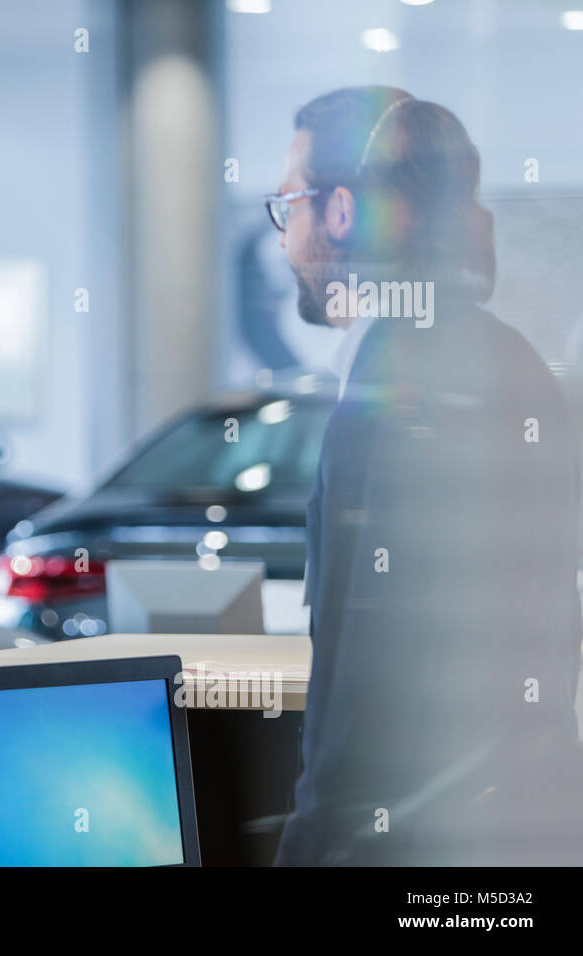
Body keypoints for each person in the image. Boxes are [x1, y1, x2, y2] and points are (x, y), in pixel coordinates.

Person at [267, 87, 583, 864]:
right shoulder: (500, 357)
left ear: (342, 211)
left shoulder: (399, 386)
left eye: (290, 205)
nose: (283, 239)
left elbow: (372, 690)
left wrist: (314, 848)